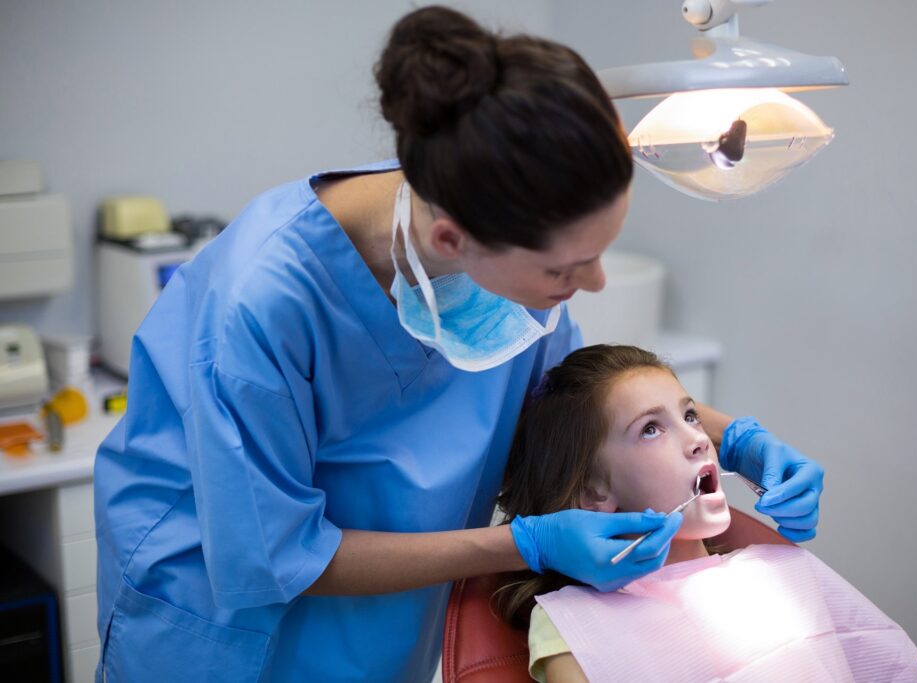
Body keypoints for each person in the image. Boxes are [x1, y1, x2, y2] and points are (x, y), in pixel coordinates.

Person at [92, 6, 824, 682]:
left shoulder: (488, 239)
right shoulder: (261, 304)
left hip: (388, 605)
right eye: (566, 269)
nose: (593, 284)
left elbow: (568, 397)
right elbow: (277, 553)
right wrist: (525, 545)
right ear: (452, 239)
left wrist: (735, 439)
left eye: (599, 254)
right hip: (225, 624)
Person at [496, 344, 917, 683]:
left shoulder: (776, 572)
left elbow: (905, 674)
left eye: (688, 415)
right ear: (593, 494)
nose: (701, 440)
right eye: (651, 429)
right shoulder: (574, 628)